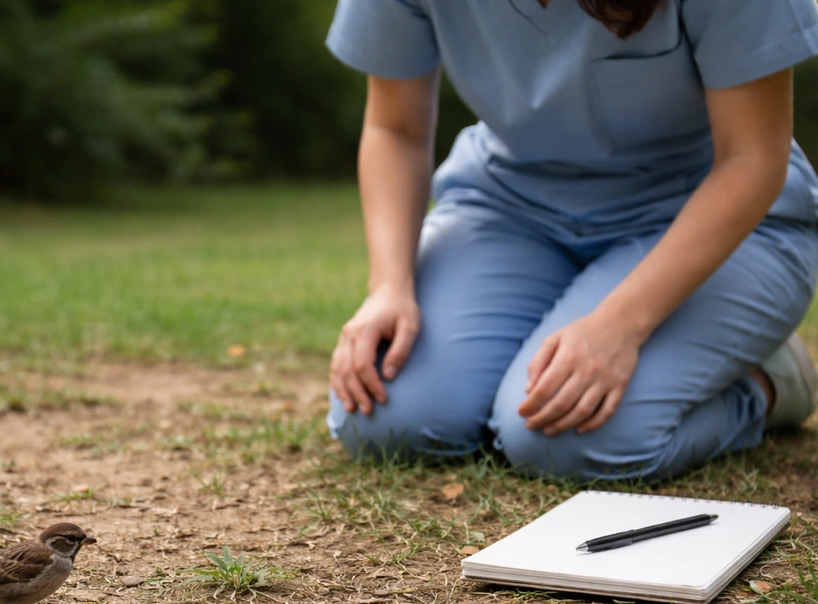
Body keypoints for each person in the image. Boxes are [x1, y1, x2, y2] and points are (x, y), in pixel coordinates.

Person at [324, 0, 818, 480]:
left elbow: (750, 159)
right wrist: (390, 286)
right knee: (383, 418)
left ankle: (771, 381)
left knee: (565, 439)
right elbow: (396, 128)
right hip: (511, 207)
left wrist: (620, 325)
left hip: (712, 219)